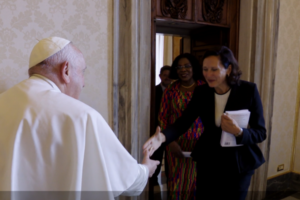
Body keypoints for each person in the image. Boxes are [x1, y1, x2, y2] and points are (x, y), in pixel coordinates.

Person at [0, 37, 159, 200]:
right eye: (82, 72)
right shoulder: (82, 116)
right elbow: (126, 178)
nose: (83, 83)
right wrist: (146, 168)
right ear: (66, 70)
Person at [144, 46, 266, 200]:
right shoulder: (202, 92)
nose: (208, 74)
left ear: (228, 69)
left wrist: (239, 132)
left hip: (238, 163)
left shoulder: (248, 90)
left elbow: (261, 132)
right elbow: (183, 122)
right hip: (208, 160)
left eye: (214, 69)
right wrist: (161, 138)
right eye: (205, 69)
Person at [159, 54, 204, 200]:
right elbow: (163, 118)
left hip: (202, 145)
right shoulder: (170, 90)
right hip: (176, 144)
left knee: (199, 184)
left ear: (194, 68)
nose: (183, 70)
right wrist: (170, 142)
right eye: (179, 67)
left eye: (187, 66)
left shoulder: (205, 88)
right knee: (177, 185)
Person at [149, 65, 171, 199]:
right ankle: (152, 190)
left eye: (170, 75)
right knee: (155, 163)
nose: (167, 77)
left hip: (173, 134)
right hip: (156, 133)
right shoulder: (153, 91)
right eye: (164, 75)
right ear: (160, 76)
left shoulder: (177, 92)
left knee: (170, 165)